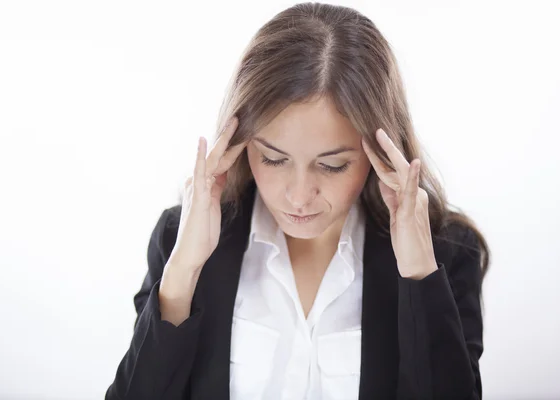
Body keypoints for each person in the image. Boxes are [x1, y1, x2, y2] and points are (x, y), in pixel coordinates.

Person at [105, 2, 490, 399]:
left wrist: (418, 274)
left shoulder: (445, 253)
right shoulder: (180, 239)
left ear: (381, 151)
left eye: (333, 165)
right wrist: (183, 272)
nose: (299, 196)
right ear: (239, 143)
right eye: (274, 158)